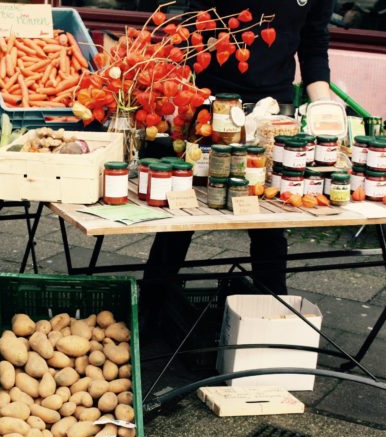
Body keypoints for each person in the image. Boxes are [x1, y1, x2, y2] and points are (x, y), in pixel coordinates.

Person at [141, 0, 335, 308]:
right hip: (208, 101)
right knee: (182, 213)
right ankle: (149, 311)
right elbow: (191, 22)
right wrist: (173, 91)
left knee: (268, 221)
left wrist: (326, 106)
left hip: (273, 109)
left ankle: (273, 313)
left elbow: (313, 41)